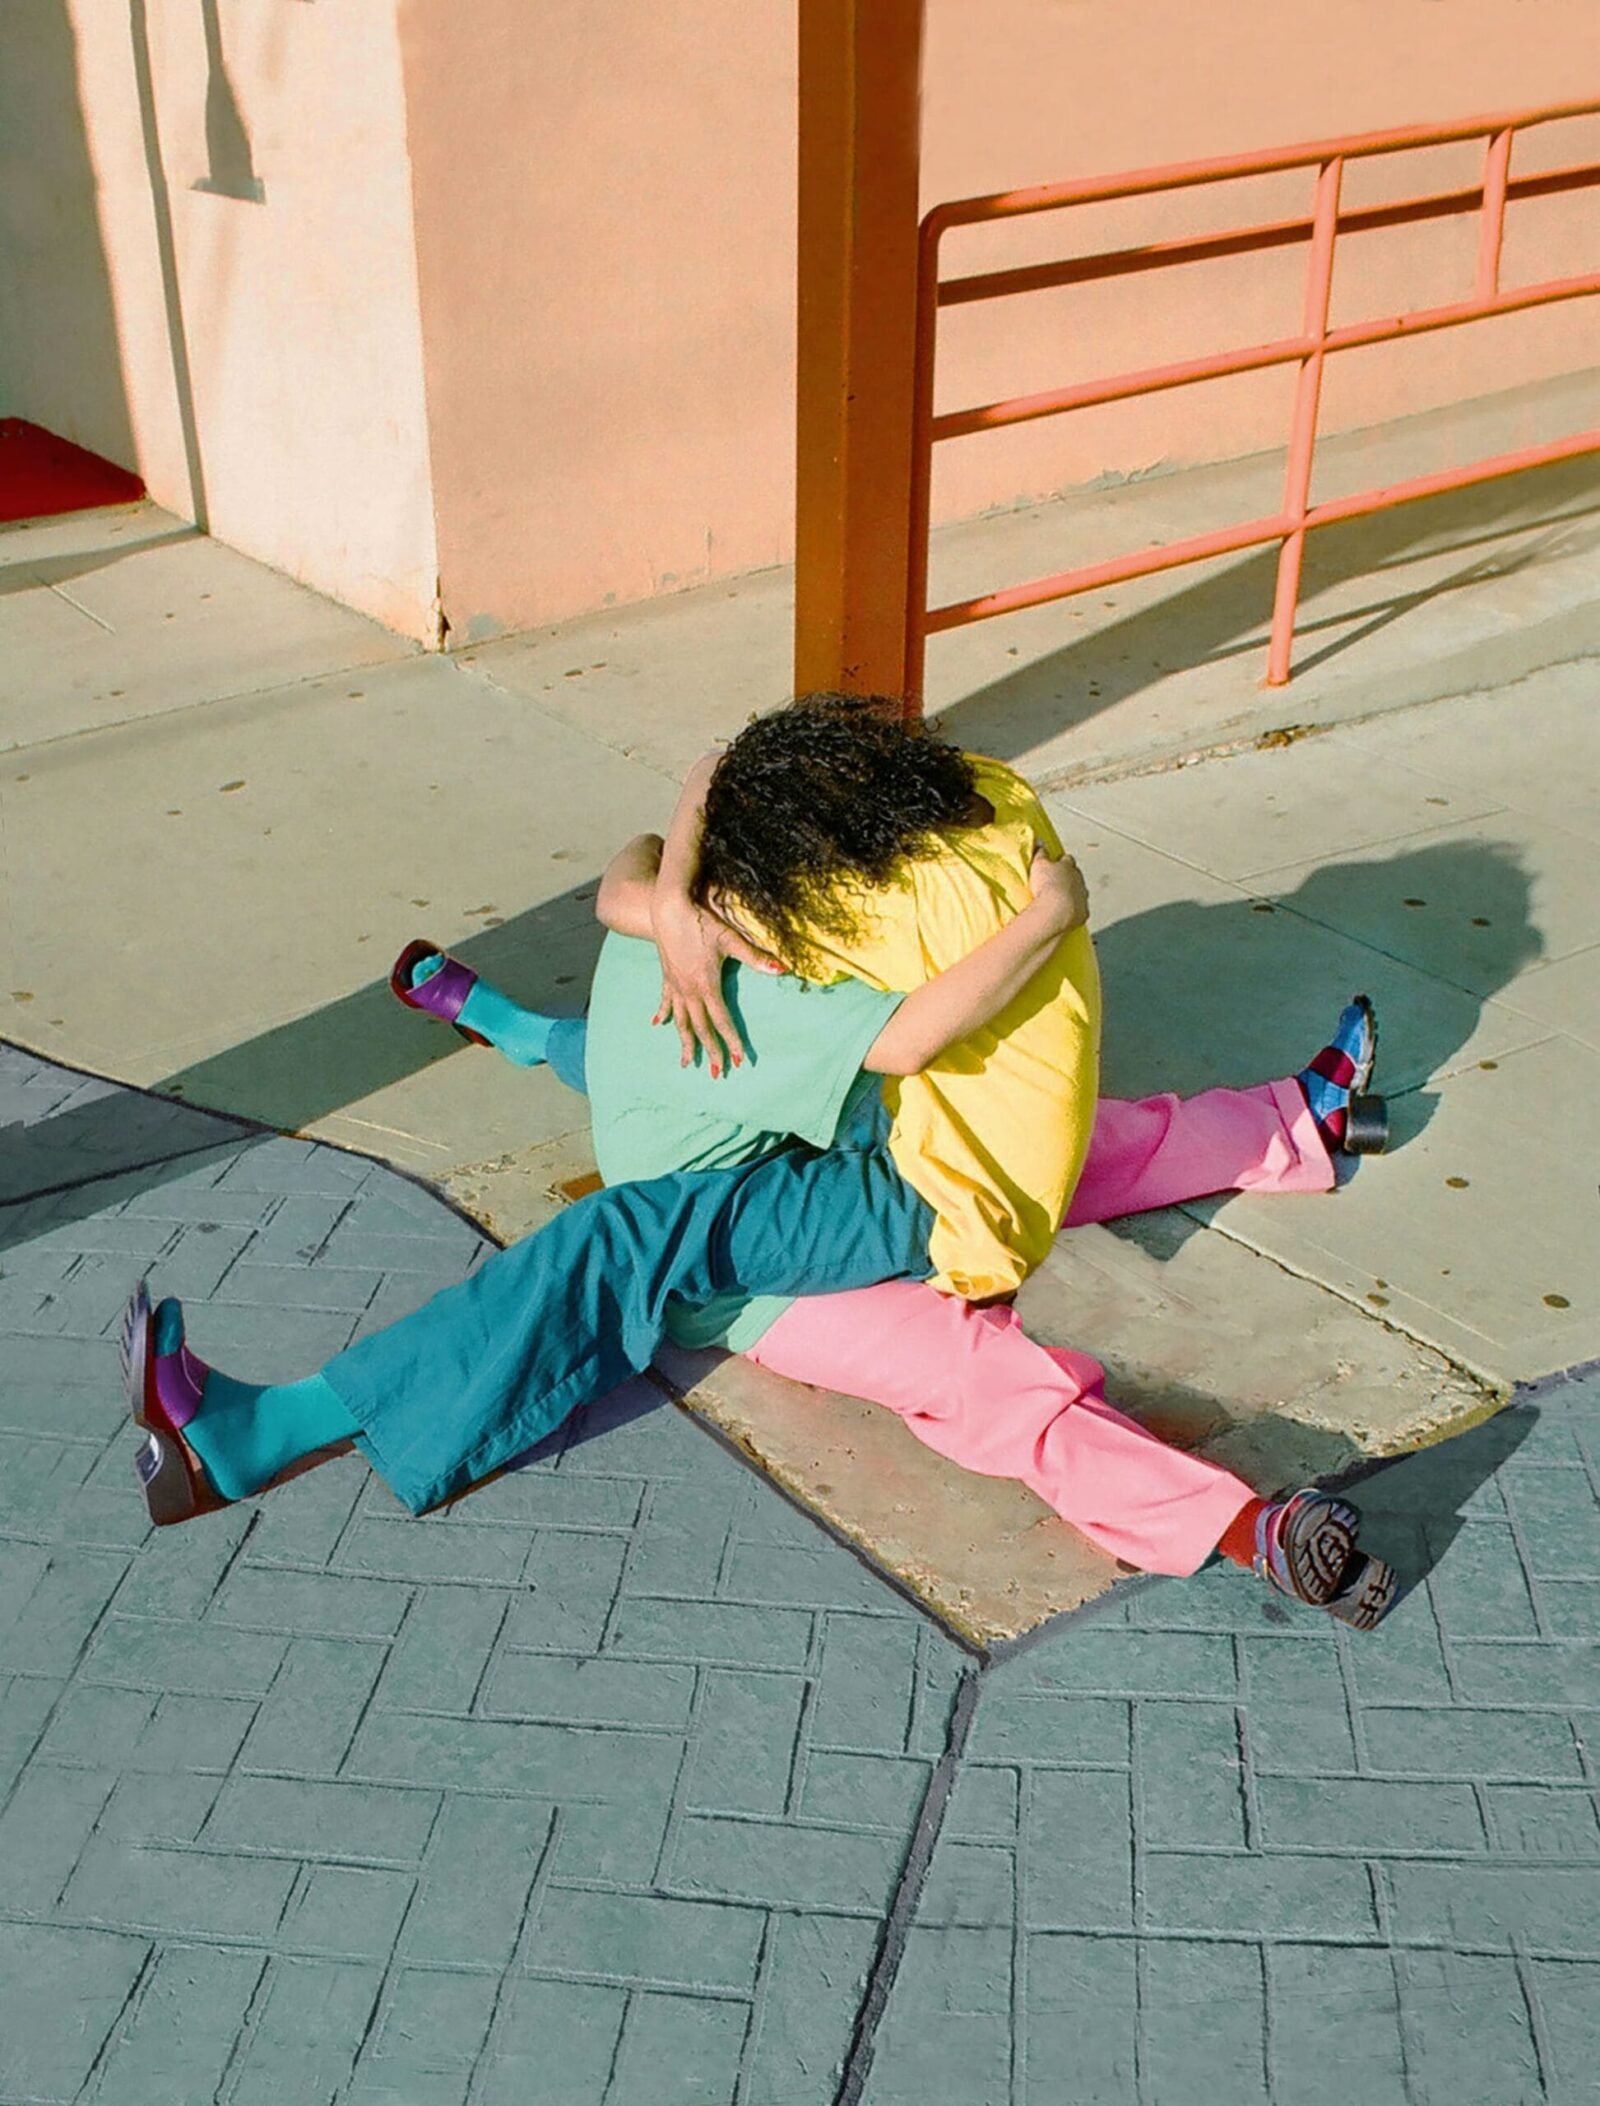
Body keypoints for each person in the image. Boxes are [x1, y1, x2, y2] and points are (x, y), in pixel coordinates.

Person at [123, 702, 1395, 1625]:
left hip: (691, 1146)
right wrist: (1047, 917)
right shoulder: (782, 981)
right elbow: (910, 1033)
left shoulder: (662, 909)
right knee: (977, 1369)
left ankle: (1302, 1125)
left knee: (1044, 1140)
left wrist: (667, 888)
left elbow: (649, 839)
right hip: (754, 1276)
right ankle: (1239, 1528)